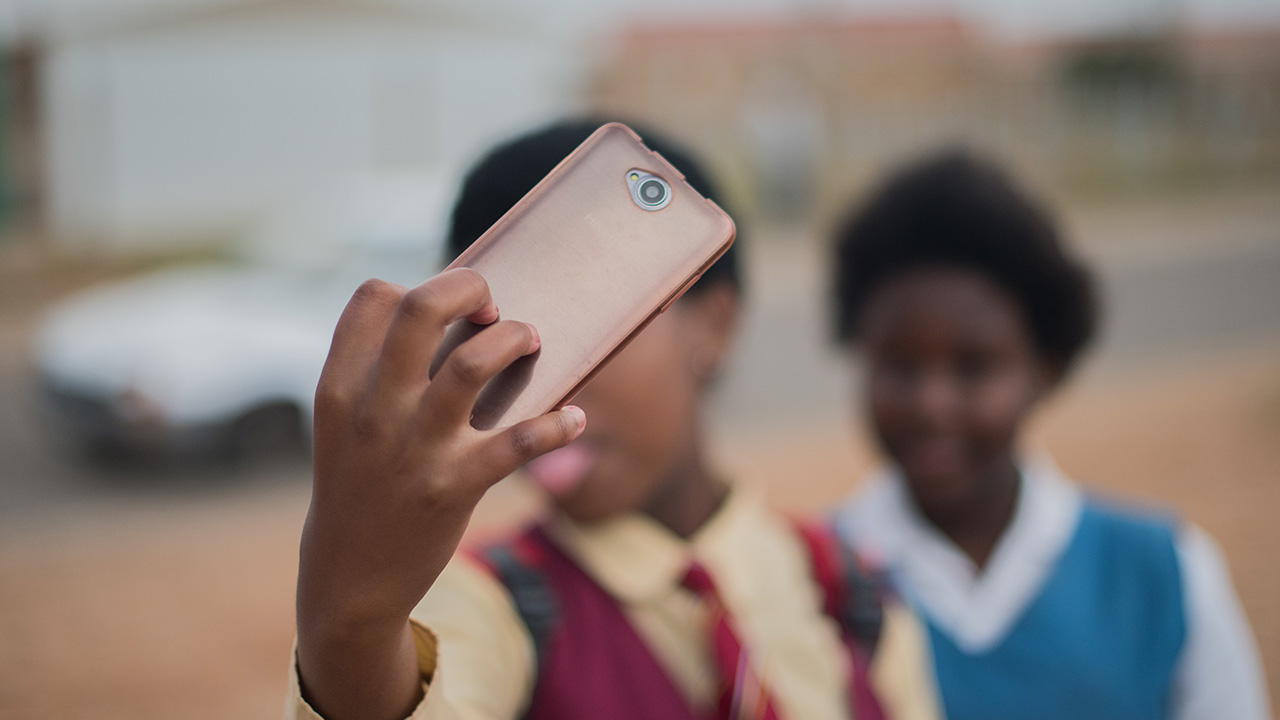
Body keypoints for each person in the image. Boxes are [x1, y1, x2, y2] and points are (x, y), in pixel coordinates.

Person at [286, 119, 944, 720]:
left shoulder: (852, 590)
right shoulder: (479, 604)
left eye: (582, 324)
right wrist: (351, 628)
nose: (544, 384)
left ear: (714, 327)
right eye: (498, 339)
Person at [829, 150, 1272, 720]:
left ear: (1045, 370)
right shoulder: (803, 579)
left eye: (973, 366)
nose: (932, 403)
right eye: (899, 364)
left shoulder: (1164, 574)